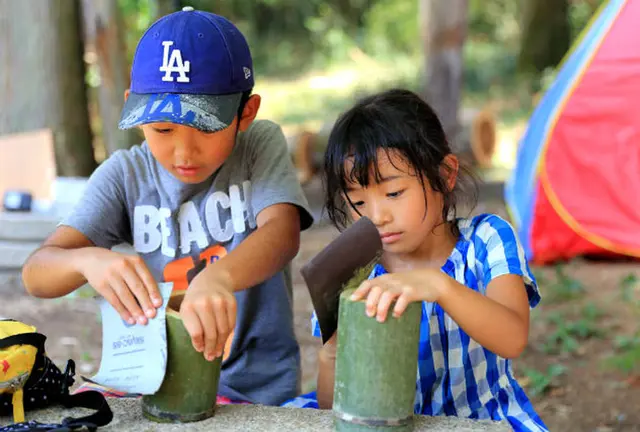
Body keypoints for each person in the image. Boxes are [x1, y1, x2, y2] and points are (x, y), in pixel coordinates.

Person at [21, 6, 313, 407]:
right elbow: (36, 274)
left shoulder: (257, 147)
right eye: (162, 129)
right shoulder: (126, 174)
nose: (183, 151)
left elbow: (282, 233)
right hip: (153, 388)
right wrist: (88, 261)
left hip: (252, 393)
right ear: (133, 110)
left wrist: (220, 278)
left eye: (205, 128)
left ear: (246, 112)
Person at [284, 88, 548, 431]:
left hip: (481, 418)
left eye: (394, 193)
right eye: (359, 203)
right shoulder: (352, 271)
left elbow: (512, 337)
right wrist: (333, 355)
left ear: (445, 175)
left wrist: (439, 285)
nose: (378, 216)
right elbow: (335, 410)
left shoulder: (487, 240)